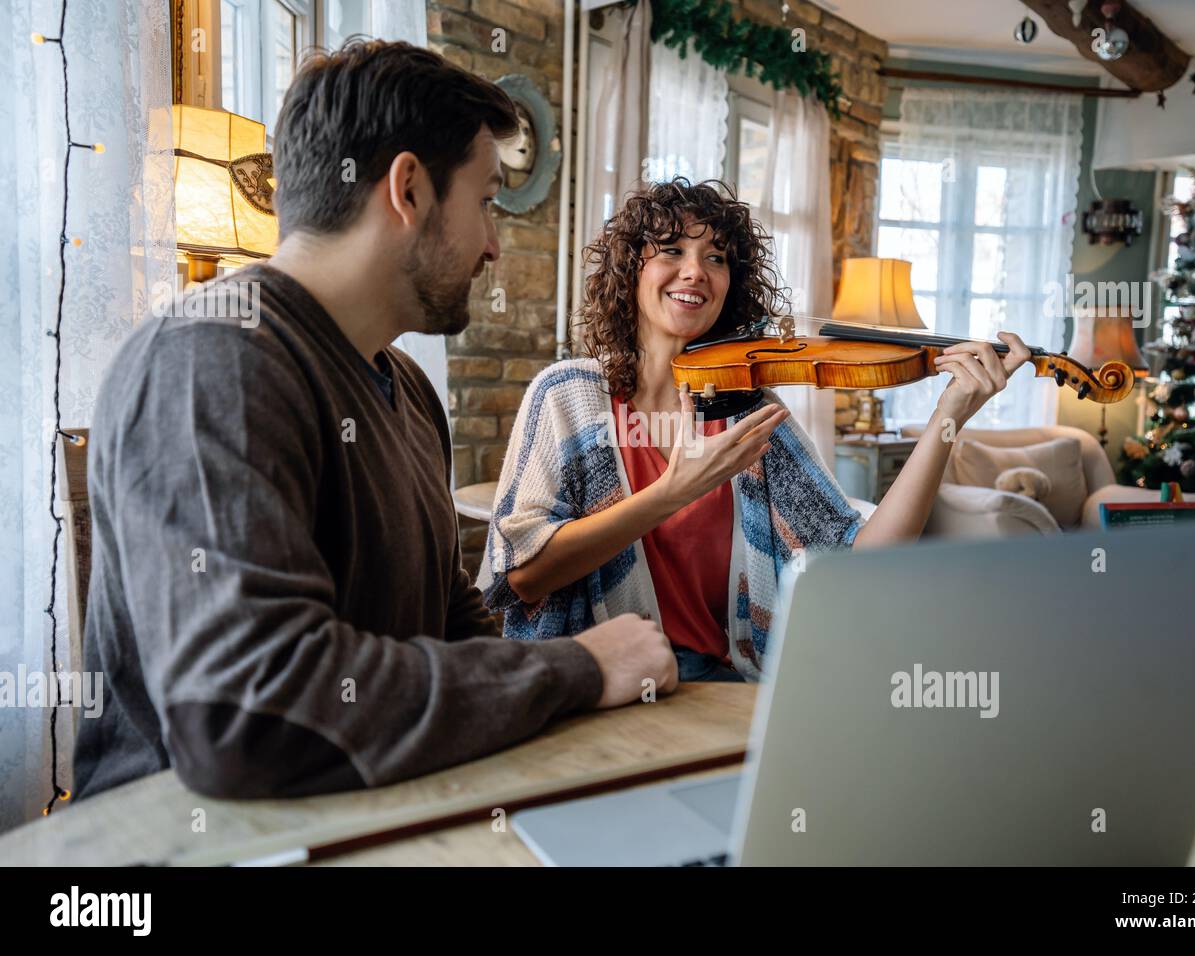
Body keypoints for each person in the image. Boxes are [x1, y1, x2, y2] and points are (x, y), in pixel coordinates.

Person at [73, 39, 676, 801]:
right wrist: (580, 666)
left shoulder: (409, 388)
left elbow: (448, 623)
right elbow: (248, 720)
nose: (494, 245)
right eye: (486, 201)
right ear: (409, 190)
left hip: (374, 806)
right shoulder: (210, 365)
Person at [479, 178, 1030, 681]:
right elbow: (525, 573)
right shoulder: (568, 397)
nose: (695, 270)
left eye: (715, 257)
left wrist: (949, 416)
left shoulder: (748, 415)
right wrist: (674, 492)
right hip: (595, 680)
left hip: (722, 684)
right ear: (630, 272)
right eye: (672, 250)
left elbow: (864, 558)